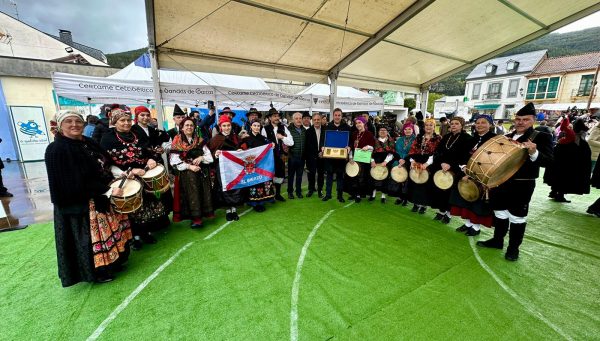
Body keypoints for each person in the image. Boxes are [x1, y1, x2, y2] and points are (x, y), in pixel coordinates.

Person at [45, 111, 132, 287]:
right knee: (88, 239)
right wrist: (107, 190)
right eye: (69, 121)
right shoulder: (57, 149)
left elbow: (105, 161)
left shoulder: (88, 142)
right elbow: (73, 182)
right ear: (60, 126)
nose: (74, 125)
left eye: (77, 121)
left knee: (109, 234)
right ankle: (96, 272)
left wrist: (117, 172)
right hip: (79, 204)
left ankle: (113, 263)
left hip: (99, 196)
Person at [477, 102, 553, 261]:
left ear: (533, 120)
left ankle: (513, 249)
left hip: (522, 185)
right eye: (518, 119)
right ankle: (497, 241)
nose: (520, 122)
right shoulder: (507, 137)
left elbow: (549, 161)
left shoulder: (541, 137)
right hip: (500, 182)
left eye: (525, 119)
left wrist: (534, 152)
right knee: (500, 213)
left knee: (517, 217)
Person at [100, 109, 172, 250]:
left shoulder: (137, 134)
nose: (126, 123)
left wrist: (151, 158)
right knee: (130, 208)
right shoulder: (107, 138)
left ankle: (146, 232)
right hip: (124, 178)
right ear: (114, 122)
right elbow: (106, 163)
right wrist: (128, 172)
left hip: (143, 174)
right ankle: (134, 237)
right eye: (122, 120)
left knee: (146, 205)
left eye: (128, 120)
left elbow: (148, 150)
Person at [451, 115, 496, 236]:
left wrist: (474, 174)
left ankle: (475, 227)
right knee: (466, 198)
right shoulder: (471, 139)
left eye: (483, 122)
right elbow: (462, 156)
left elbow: (493, 160)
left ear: (490, 125)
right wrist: (464, 168)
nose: (480, 125)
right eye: (477, 123)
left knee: (478, 202)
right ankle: (467, 223)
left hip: (483, 175)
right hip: (466, 172)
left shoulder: (494, 139)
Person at [169, 117, 214, 228]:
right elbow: (173, 160)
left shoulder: (199, 140)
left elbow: (210, 157)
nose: (189, 127)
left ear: (194, 127)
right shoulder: (177, 140)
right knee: (192, 194)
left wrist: (201, 158)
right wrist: (189, 166)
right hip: (186, 174)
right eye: (187, 125)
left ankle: (204, 214)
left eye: (191, 125)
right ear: (182, 127)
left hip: (201, 171)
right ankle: (196, 219)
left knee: (203, 193)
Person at [430, 116, 473, 224]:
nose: (453, 125)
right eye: (452, 123)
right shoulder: (446, 137)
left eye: (456, 123)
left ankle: (448, 214)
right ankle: (441, 211)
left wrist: (451, 165)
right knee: (440, 189)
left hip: (456, 168)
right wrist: (442, 163)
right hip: (442, 167)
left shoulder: (467, 138)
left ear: (462, 125)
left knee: (450, 193)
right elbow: (438, 151)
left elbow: (465, 156)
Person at [545, 118, 591, 203]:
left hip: (560, 164)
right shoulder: (578, 140)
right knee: (566, 178)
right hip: (569, 166)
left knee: (559, 176)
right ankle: (559, 195)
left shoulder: (568, 138)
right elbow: (583, 156)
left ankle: (554, 192)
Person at [209, 115, 244, 221]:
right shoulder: (215, 139)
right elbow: (210, 154)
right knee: (224, 187)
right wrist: (216, 153)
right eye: (224, 126)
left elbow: (242, 148)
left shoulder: (236, 138)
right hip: (222, 168)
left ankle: (234, 209)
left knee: (235, 187)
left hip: (234, 168)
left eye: (228, 125)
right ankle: (228, 211)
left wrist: (240, 150)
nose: (227, 128)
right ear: (220, 127)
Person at [406, 118, 442, 214]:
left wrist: (427, 164)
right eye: (427, 125)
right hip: (417, 160)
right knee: (416, 181)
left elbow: (437, 153)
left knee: (425, 184)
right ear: (424, 126)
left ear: (434, 127)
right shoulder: (419, 137)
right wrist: (412, 161)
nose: (428, 127)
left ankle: (423, 205)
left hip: (429, 163)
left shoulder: (438, 138)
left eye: (431, 125)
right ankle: (416, 203)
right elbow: (412, 150)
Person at [240, 119, 275, 212]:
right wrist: (241, 149)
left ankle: (262, 201)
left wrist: (272, 145)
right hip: (251, 166)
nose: (256, 127)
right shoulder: (246, 138)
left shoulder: (264, 138)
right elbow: (242, 148)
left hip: (262, 165)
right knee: (254, 183)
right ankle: (255, 203)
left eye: (258, 126)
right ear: (251, 127)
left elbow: (269, 147)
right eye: (254, 125)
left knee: (262, 182)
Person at [262, 107, 293, 201]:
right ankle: (270, 195)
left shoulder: (283, 127)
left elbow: (291, 142)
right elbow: (263, 143)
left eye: (277, 116)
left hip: (281, 156)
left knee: (280, 175)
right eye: (274, 116)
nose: (276, 118)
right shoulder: (265, 129)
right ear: (270, 118)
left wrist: (282, 137)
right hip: (270, 156)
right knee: (270, 175)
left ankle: (278, 194)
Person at [322, 108, 351, 203]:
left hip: (341, 158)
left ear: (341, 116)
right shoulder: (327, 127)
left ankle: (340, 196)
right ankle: (328, 195)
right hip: (329, 157)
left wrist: (349, 147)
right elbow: (323, 140)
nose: (337, 117)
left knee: (340, 177)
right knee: (329, 176)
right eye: (336, 115)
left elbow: (349, 141)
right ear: (333, 116)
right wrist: (322, 147)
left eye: (339, 115)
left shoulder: (347, 128)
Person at [346, 116, 376, 202]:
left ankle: (359, 195)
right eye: (356, 123)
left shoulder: (369, 134)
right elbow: (351, 146)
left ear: (364, 124)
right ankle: (354, 194)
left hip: (364, 159)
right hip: (355, 159)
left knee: (362, 178)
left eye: (360, 122)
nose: (358, 124)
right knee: (353, 177)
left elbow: (373, 146)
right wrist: (350, 157)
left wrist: (368, 147)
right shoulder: (354, 134)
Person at [370, 125, 396, 203]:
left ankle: (383, 196)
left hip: (386, 161)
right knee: (374, 177)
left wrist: (386, 161)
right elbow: (370, 151)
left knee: (385, 178)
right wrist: (372, 161)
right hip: (375, 160)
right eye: (381, 130)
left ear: (387, 132)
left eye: (384, 130)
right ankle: (373, 195)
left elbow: (392, 152)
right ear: (378, 132)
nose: (383, 131)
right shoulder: (374, 140)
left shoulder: (391, 140)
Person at [393, 122, 416, 205]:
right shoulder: (399, 139)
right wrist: (399, 159)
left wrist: (405, 159)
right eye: (405, 129)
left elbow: (414, 152)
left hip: (410, 161)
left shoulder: (416, 139)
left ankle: (406, 198)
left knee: (407, 181)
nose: (407, 131)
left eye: (409, 129)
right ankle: (399, 197)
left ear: (412, 129)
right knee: (399, 179)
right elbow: (396, 151)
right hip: (398, 161)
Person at [305, 112, 325, 198]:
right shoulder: (308, 131)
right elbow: (307, 145)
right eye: (315, 120)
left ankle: (320, 190)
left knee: (321, 174)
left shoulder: (326, 130)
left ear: (321, 120)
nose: (316, 121)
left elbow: (327, 143)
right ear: (312, 121)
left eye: (318, 119)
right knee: (311, 174)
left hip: (322, 157)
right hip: (311, 157)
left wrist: (322, 152)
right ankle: (311, 189)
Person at [287, 112, 306, 199]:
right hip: (292, 157)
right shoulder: (288, 130)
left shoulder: (304, 130)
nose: (298, 120)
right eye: (296, 118)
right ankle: (290, 192)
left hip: (301, 157)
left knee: (299, 175)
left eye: (300, 118)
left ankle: (298, 191)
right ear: (293, 120)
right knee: (291, 175)